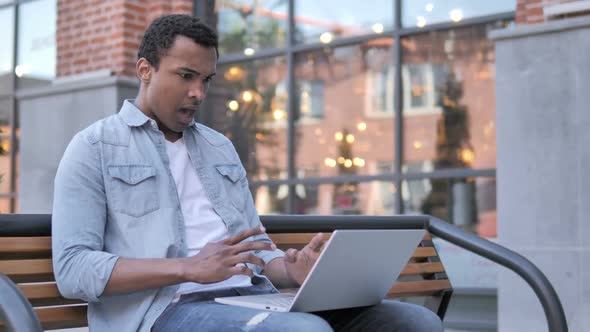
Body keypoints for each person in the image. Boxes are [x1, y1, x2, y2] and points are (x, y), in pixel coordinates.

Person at [52, 14, 443, 332]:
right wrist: (188, 268)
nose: (198, 94)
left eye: (206, 80)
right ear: (145, 70)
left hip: (250, 299)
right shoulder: (95, 147)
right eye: (186, 76)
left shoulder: (218, 147)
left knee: (413, 321)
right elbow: (72, 269)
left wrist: (291, 269)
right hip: (165, 312)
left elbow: (255, 250)